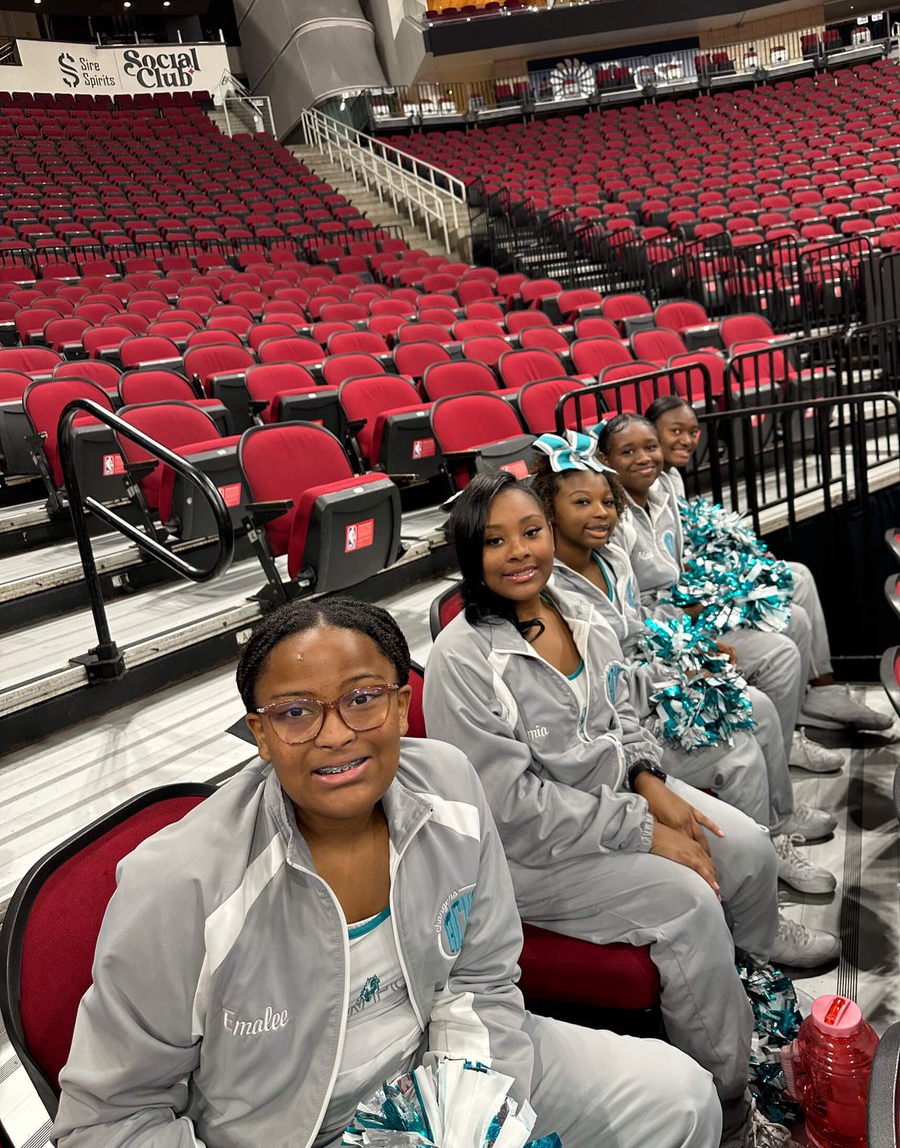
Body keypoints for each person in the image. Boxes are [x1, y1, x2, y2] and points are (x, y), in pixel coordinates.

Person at [54, 596, 722, 1148]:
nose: (336, 734)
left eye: (363, 698)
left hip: (446, 1069)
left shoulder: (452, 786)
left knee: (680, 1098)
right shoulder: (180, 885)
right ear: (258, 733)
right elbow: (110, 1121)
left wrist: (469, 1113)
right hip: (287, 1131)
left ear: (402, 706)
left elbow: (482, 977)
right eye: (294, 712)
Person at [423, 471, 839, 1148]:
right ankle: (730, 1106)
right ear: (471, 555)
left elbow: (627, 717)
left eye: (531, 532)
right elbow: (512, 810)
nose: (520, 552)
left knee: (745, 847)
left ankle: (757, 989)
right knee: (688, 903)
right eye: (495, 541)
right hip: (528, 858)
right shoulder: (461, 659)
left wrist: (652, 784)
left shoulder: (581, 614)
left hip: (611, 806)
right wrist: (647, 831)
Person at [530, 430, 835, 897]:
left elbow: (641, 626)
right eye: (581, 503)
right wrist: (684, 671)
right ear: (549, 513)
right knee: (741, 748)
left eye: (607, 502)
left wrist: (693, 645)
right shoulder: (555, 594)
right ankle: (750, 890)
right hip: (625, 719)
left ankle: (776, 830)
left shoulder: (611, 557)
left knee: (761, 708)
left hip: (653, 676)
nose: (600, 512)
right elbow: (609, 688)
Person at [596, 414, 836, 854]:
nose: (646, 457)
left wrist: (715, 586)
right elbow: (638, 621)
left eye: (650, 446)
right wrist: (693, 629)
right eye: (627, 451)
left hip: (680, 616)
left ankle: (796, 733)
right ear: (605, 460)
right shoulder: (612, 526)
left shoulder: (666, 484)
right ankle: (772, 823)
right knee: (777, 660)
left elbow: (677, 568)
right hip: (667, 635)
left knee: (793, 596)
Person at [645, 394, 892, 748]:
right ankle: (789, 731)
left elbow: (683, 551)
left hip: (698, 584)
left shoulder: (672, 479)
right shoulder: (641, 491)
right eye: (675, 431)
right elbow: (668, 577)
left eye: (694, 432)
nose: (687, 440)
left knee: (799, 575)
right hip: (681, 613)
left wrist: (738, 557)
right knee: (794, 617)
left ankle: (821, 690)